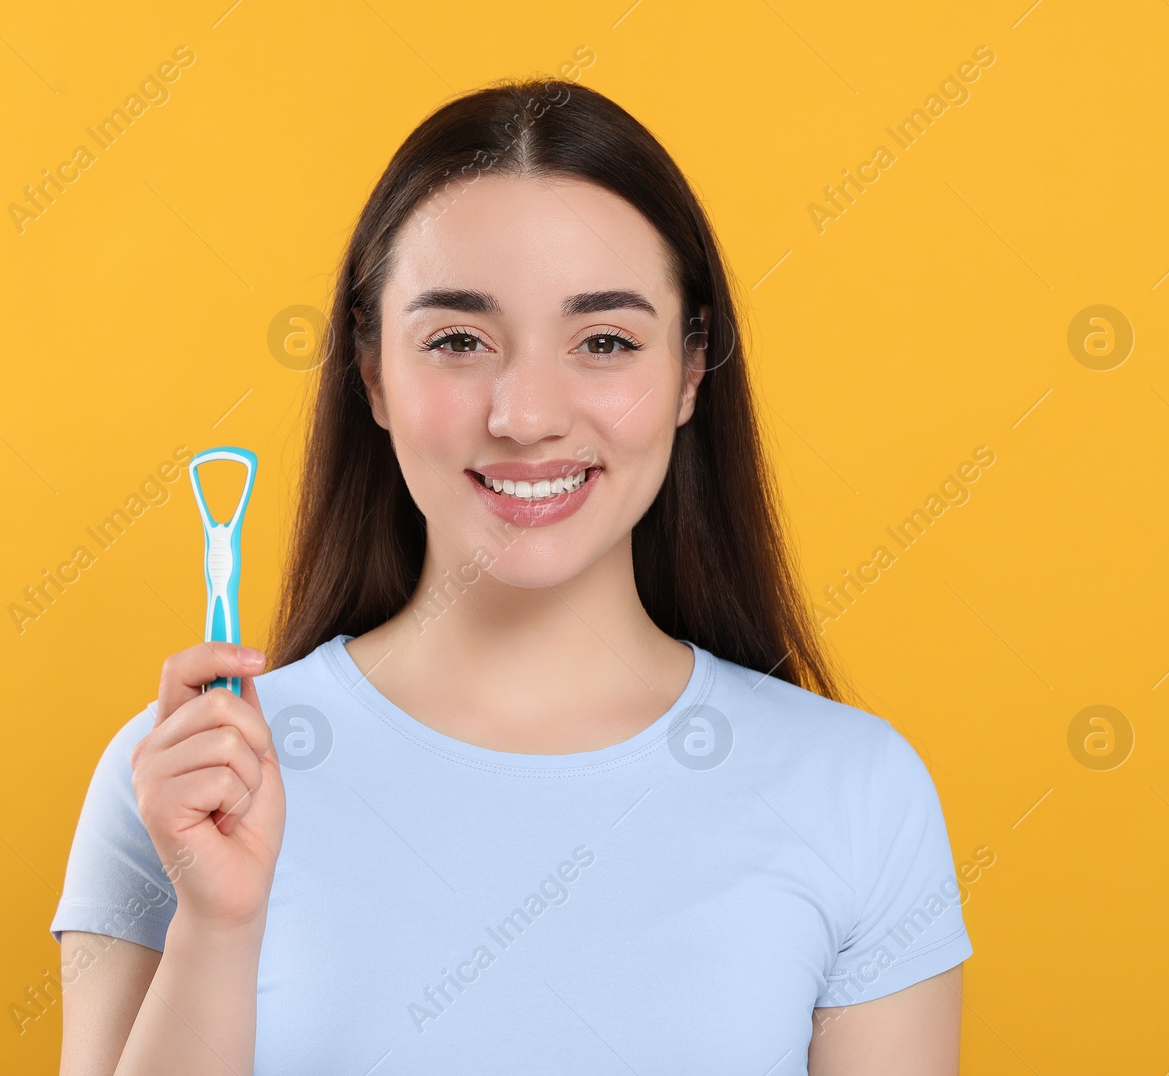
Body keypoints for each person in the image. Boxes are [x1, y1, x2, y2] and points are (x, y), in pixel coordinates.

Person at [50, 77, 972, 1075]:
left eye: (605, 341)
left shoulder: (854, 789)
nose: (526, 413)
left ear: (690, 369)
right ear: (370, 372)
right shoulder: (187, 782)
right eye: (458, 340)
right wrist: (219, 925)